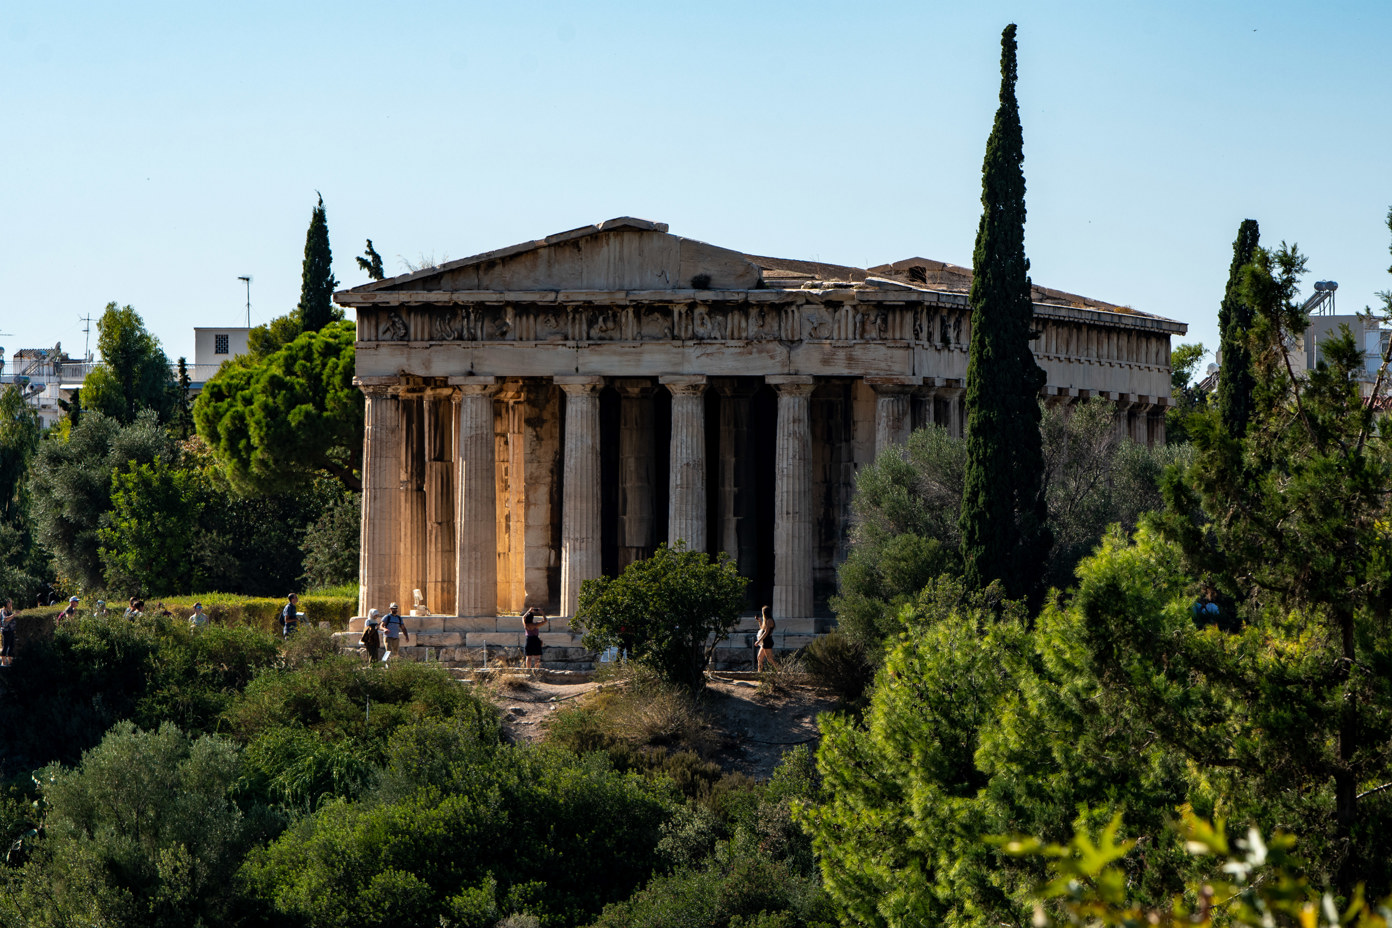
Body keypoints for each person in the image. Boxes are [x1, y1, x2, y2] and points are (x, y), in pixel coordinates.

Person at [756, 605, 777, 672]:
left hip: (767, 642)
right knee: (759, 658)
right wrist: (759, 621)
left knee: (770, 659)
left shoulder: (769, 621)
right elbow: (762, 628)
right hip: (764, 642)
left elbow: (766, 632)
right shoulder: (766, 621)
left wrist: (758, 641)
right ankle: (759, 673)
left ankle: (779, 671)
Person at [1, 599, 16, 667]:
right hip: (6, 631)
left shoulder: (10, 611)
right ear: (7, 604)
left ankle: (10, 661)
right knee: (6, 645)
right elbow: (5, 619)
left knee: (11, 645)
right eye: (10, 603)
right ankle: (4, 662)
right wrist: (14, 615)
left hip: (11, 631)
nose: (11, 604)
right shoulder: (3, 611)